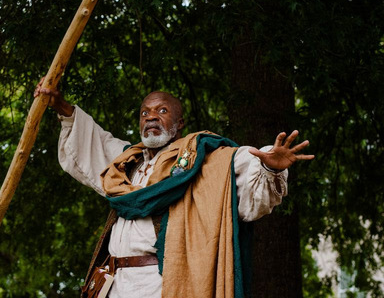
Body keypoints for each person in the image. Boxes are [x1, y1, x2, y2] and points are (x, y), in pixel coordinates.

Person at [34, 80, 314, 298]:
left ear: (179, 124)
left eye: (162, 111)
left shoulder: (201, 158)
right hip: (114, 284)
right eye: (145, 112)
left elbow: (242, 163)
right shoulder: (126, 162)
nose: (151, 116)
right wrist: (61, 107)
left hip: (163, 284)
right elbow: (94, 141)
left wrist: (270, 165)